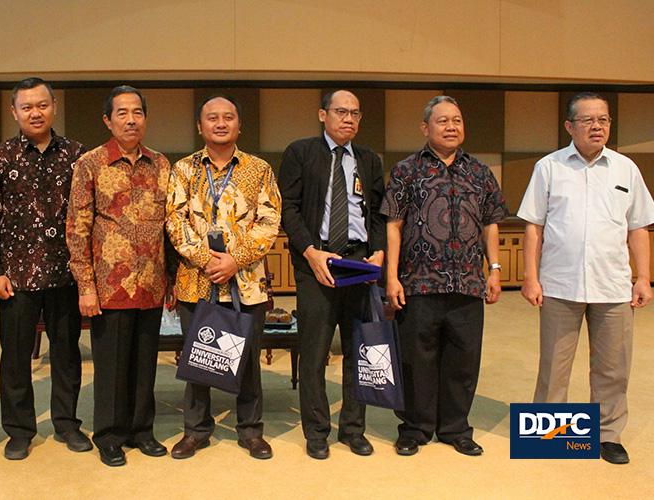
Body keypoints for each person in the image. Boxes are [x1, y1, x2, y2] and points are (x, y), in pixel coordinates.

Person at [518, 92, 654, 465]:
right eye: (588, 120)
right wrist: (531, 277)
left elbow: (639, 227)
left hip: (613, 286)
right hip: (560, 285)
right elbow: (534, 228)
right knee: (554, 367)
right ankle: (548, 437)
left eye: (604, 120)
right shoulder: (550, 166)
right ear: (569, 126)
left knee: (613, 367)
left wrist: (644, 277)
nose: (597, 127)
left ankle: (608, 435)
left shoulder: (626, 169)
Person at [0, 77, 90, 460]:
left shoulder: (76, 154)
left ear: (54, 106)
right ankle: (20, 429)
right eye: (27, 107)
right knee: (15, 357)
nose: (35, 112)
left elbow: (88, 216)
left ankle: (67, 424)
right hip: (16, 278)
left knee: (67, 354)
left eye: (42, 105)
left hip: (66, 275)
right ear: (14, 112)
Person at [382, 95, 507, 457]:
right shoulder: (407, 170)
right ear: (425, 128)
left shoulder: (480, 172)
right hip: (418, 282)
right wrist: (392, 277)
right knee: (415, 361)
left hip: (468, 283)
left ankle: (455, 428)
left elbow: (490, 223)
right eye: (442, 121)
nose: (451, 127)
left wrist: (495, 268)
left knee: (463, 360)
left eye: (457, 120)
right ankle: (415, 428)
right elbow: (394, 224)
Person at [166, 95, 281, 460]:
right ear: (200, 126)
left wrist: (235, 260)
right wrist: (207, 260)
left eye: (228, 117)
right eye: (212, 118)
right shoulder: (183, 169)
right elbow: (174, 221)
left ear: (239, 125)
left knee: (247, 360)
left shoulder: (259, 169)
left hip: (246, 282)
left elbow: (270, 221)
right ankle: (196, 431)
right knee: (199, 357)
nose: (220, 123)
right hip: (195, 280)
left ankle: (250, 431)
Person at [66, 85, 172, 467]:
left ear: (145, 118)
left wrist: (171, 278)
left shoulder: (161, 164)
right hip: (109, 284)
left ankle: (142, 430)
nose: (131, 119)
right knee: (110, 366)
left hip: (151, 281)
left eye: (137, 112)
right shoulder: (90, 164)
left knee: (145, 363)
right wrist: (85, 286)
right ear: (107, 120)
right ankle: (109, 435)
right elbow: (77, 227)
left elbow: (169, 226)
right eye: (122, 113)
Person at [278, 90, 386, 460]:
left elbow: (378, 214)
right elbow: (287, 208)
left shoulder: (369, 160)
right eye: (341, 112)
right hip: (316, 262)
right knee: (314, 352)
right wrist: (310, 251)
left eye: (356, 113)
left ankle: (353, 428)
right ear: (323, 114)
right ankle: (317, 430)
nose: (349, 119)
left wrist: (379, 251)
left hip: (358, 263)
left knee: (361, 350)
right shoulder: (300, 152)